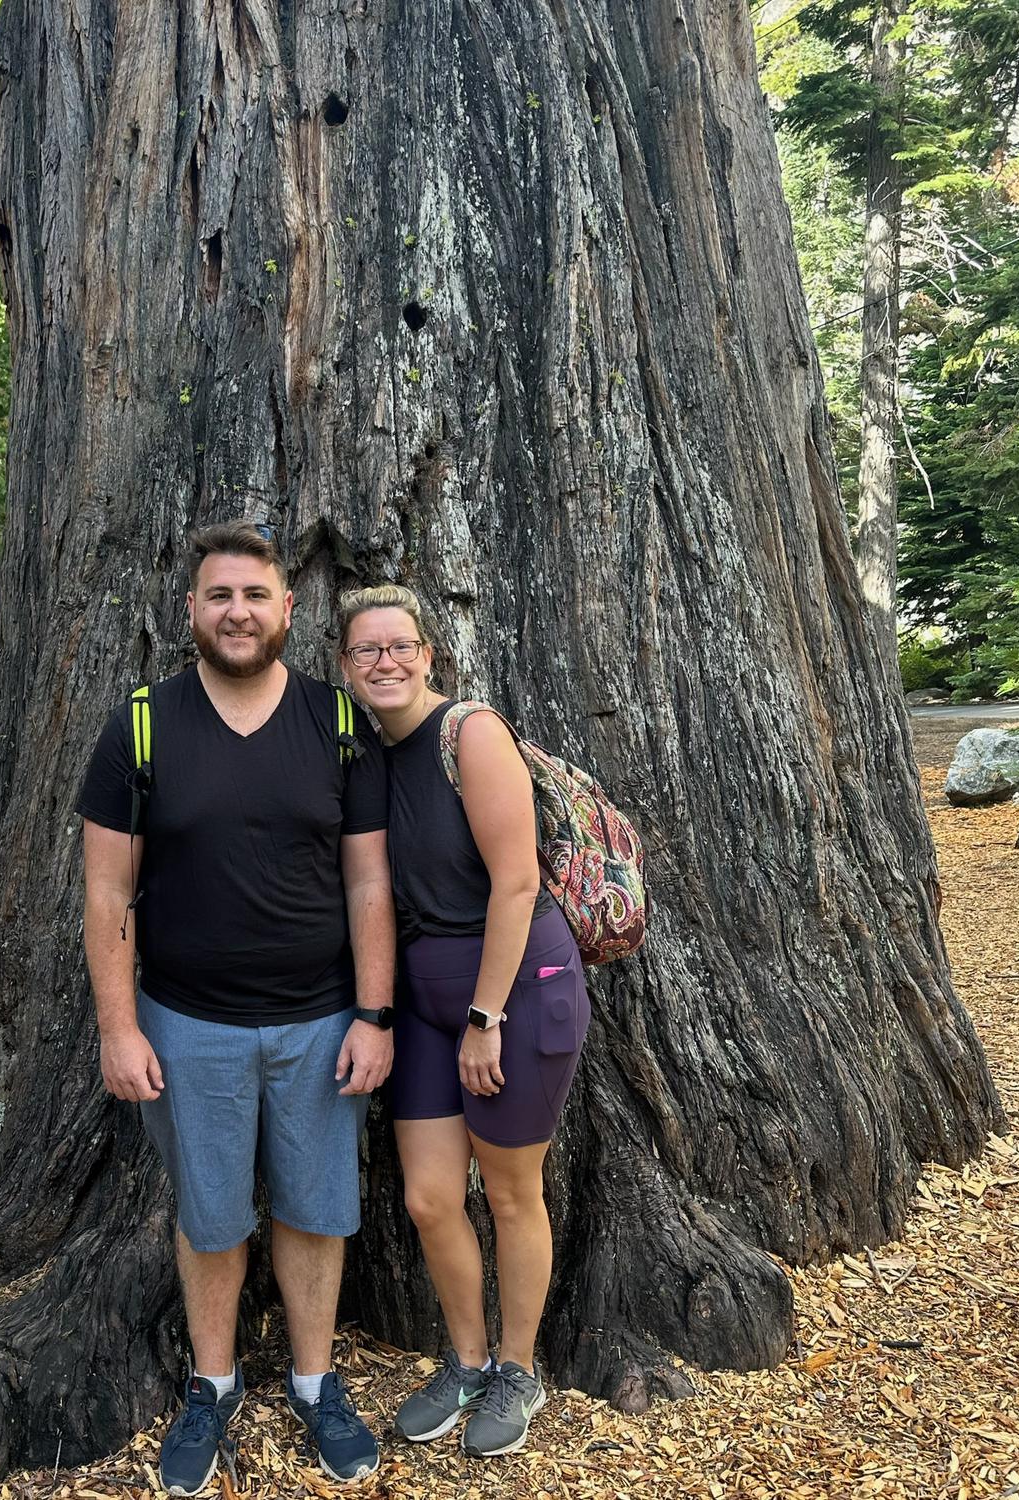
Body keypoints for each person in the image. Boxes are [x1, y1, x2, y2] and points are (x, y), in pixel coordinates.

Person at [77, 523, 396, 1495]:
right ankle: (211, 1387)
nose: (238, 612)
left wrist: (375, 1016)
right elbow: (102, 893)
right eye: (219, 595)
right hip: (187, 1026)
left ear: (287, 611)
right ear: (191, 612)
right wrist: (119, 1026)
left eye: (256, 595)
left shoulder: (336, 726)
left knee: (315, 1209)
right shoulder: (142, 723)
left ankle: (313, 1382)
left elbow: (370, 885)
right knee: (212, 1218)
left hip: (321, 1022)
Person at [336, 583, 590, 1458]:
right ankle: (469, 1358)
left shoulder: (469, 734)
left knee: (513, 1191)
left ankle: (520, 1369)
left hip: (516, 983)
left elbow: (517, 882)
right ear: (343, 666)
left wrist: (487, 1015)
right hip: (423, 996)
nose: (386, 663)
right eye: (366, 651)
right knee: (432, 1197)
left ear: (428, 654)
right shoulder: (369, 755)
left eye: (400, 646)